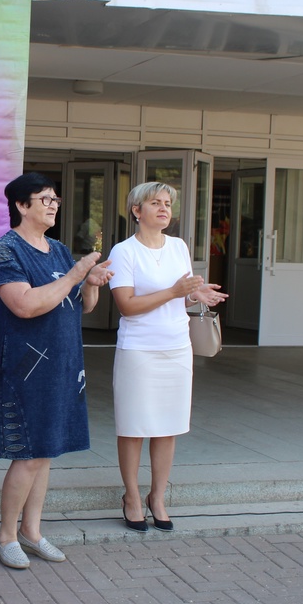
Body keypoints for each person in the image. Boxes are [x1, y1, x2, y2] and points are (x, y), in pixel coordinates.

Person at [0, 173, 113, 569]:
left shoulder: (58, 249)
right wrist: (76, 274)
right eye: (45, 199)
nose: (54, 205)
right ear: (21, 205)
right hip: (25, 368)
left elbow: (82, 305)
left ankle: (32, 531)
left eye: (56, 199)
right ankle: (6, 536)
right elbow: (24, 305)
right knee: (28, 454)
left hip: (62, 366)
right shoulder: (6, 250)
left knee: (46, 452)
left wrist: (90, 283)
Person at [109, 182, 227, 534]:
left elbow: (180, 296)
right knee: (133, 426)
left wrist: (194, 295)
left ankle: (157, 497)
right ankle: (132, 496)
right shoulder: (124, 251)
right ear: (136, 211)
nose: (164, 209)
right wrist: (175, 291)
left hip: (176, 346)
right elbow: (127, 306)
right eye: (155, 203)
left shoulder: (178, 247)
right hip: (138, 348)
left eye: (168, 204)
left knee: (168, 425)